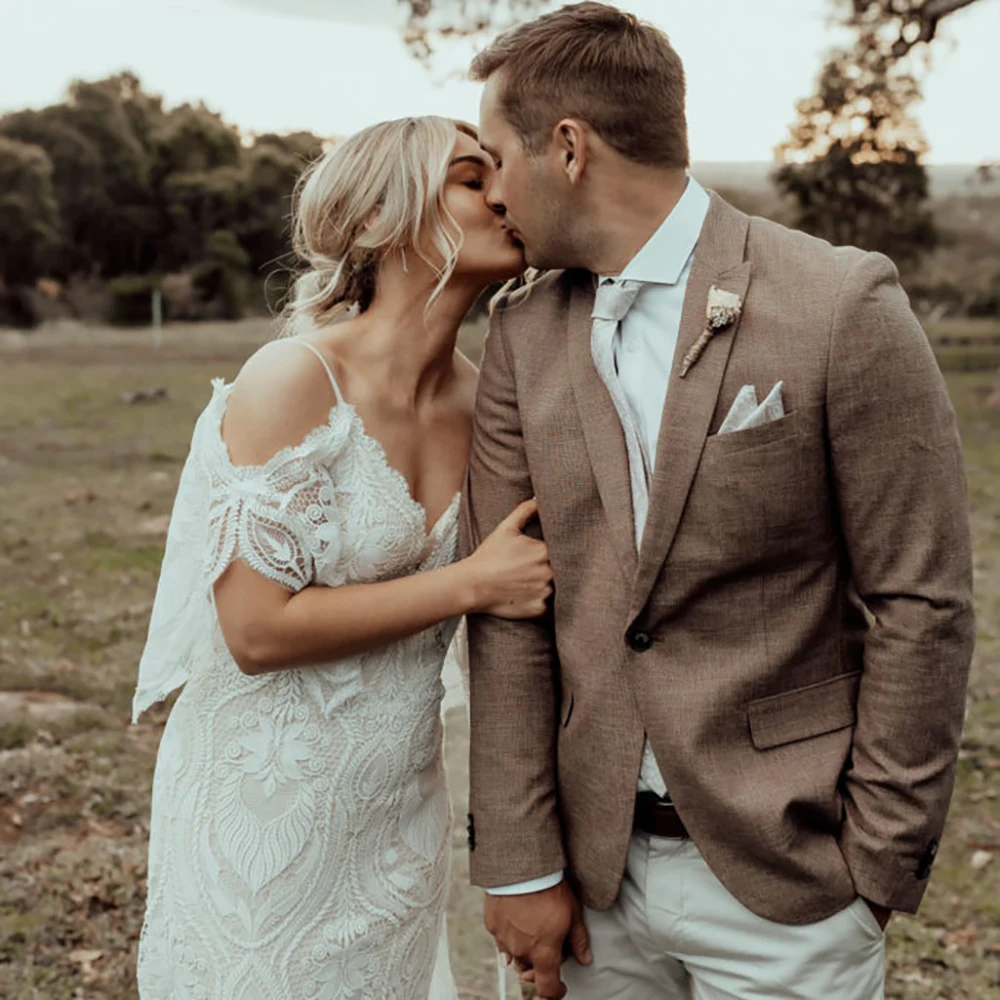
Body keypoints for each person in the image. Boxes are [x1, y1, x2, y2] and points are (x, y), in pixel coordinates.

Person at [460, 4, 976, 999]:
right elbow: (511, 612)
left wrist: (875, 866)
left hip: (791, 885)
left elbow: (922, 598)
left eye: (494, 157)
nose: (490, 193)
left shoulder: (838, 304)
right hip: (587, 893)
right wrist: (520, 861)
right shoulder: (521, 335)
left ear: (568, 148)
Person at [131, 116, 552, 1000]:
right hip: (258, 822)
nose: (504, 193)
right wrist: (469, 583)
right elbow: (254, 628)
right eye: (472, 179)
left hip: (394, 824)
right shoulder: (294, 380)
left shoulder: (490, 408)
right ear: (376, 223)